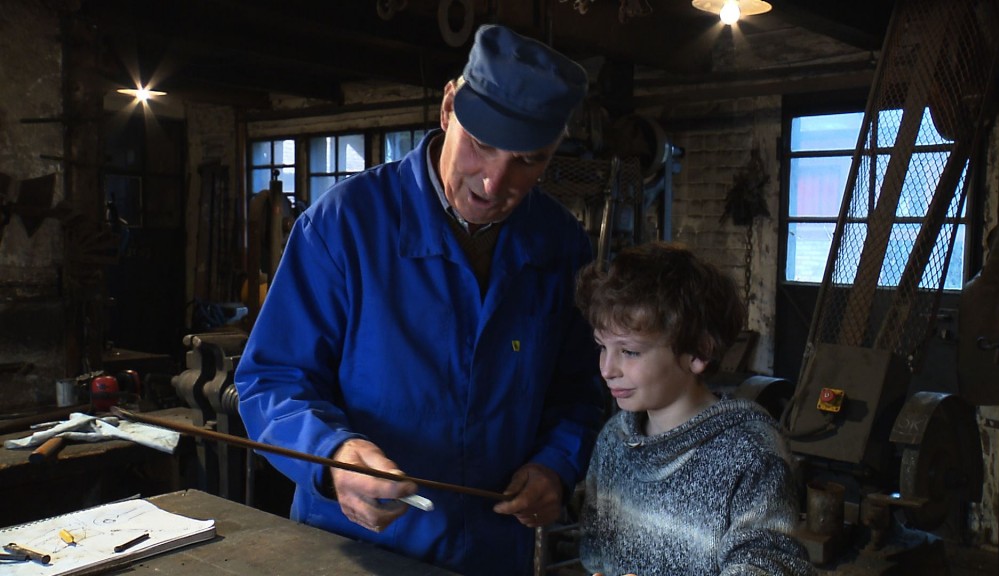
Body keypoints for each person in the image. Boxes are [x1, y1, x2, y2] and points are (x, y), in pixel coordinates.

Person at [233, 24, 606, 576]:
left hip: (493, 550)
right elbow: (271, 381)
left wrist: (556, 464)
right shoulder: (343, 226)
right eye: (482, 144)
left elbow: (584, 390)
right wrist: (333, 457)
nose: (493, 182)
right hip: (353, 548)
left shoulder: (560, 247)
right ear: (449, 106)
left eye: (528, 161)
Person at [574, 242, 816, 576]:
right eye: (603, 347)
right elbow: (595, 550)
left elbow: (767, 565)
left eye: (629, 352)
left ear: (698, 352)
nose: (607, 368)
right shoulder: (614, 441)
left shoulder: (750, 453)